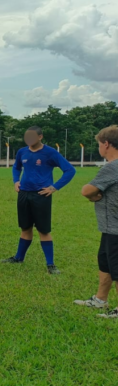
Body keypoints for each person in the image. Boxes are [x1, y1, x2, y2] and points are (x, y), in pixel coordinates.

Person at [2, 126, 75, 274]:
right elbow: (16, 167)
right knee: (25, 228)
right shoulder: (22, 152)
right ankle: (18, 258)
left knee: (43, 230)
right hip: (23, 194)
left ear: (40, 137)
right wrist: (16, 181)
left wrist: (54, 187)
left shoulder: (50, 153)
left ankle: (50, 265)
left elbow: (70, 170)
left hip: (41, 195)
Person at [76, 126, 118, 318]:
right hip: (109, 227)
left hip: (115, 228)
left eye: (99, 144)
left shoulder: (112, 166)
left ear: (106, 144)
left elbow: (87, 190)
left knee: (116, 267)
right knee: (105, 263)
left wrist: (93, 195)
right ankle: (100, 300)